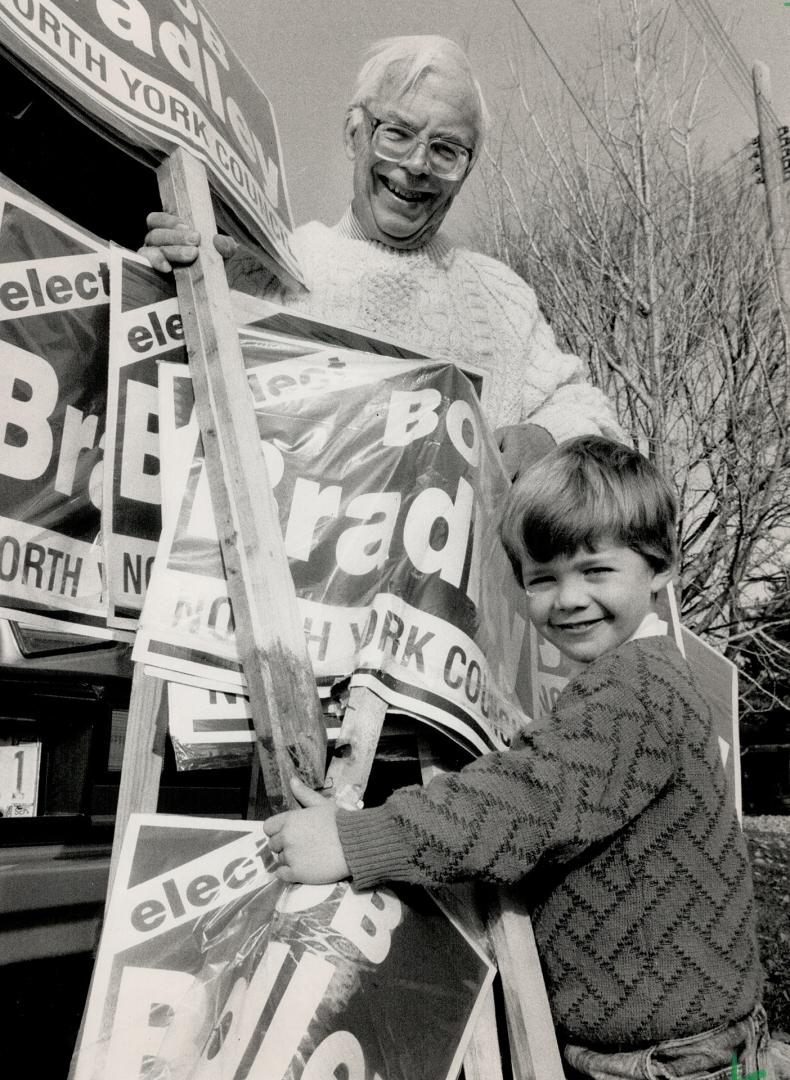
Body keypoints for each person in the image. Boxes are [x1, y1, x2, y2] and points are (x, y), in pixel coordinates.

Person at [261, 435, 790, 1080]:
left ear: (660, 568)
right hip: (668, 1039)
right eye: (543, 579)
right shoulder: (633, 679)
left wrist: (356, 840)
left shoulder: (636, 687)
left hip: (664, 1061)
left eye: (596, 571)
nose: (567, 599)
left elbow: (527, 802)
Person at [140, 35, 624, 478]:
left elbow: (587, 408)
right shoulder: (267, 263)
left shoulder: (503, 300)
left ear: (467, 169)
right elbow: (152, 385)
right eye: (396, 132)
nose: (416, 164)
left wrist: (546, 438)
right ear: (353, 134)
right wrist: (166, 280)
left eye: (446, 150)